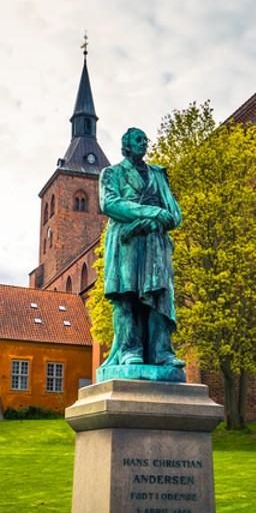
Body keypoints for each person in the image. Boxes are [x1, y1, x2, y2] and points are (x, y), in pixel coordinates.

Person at [98, 127, 185, 369]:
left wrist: (156, 219)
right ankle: (129, 350)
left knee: (159, 296)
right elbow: (110, 204)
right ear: (126, 145)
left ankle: (161, 352)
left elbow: (174, 214)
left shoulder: (158, 175)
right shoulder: (111, 173)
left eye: (145, 140)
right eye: (138, 140)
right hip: (127, 243)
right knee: (127, 296)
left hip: (154, 243)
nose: (143, 144)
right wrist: (151, 213)